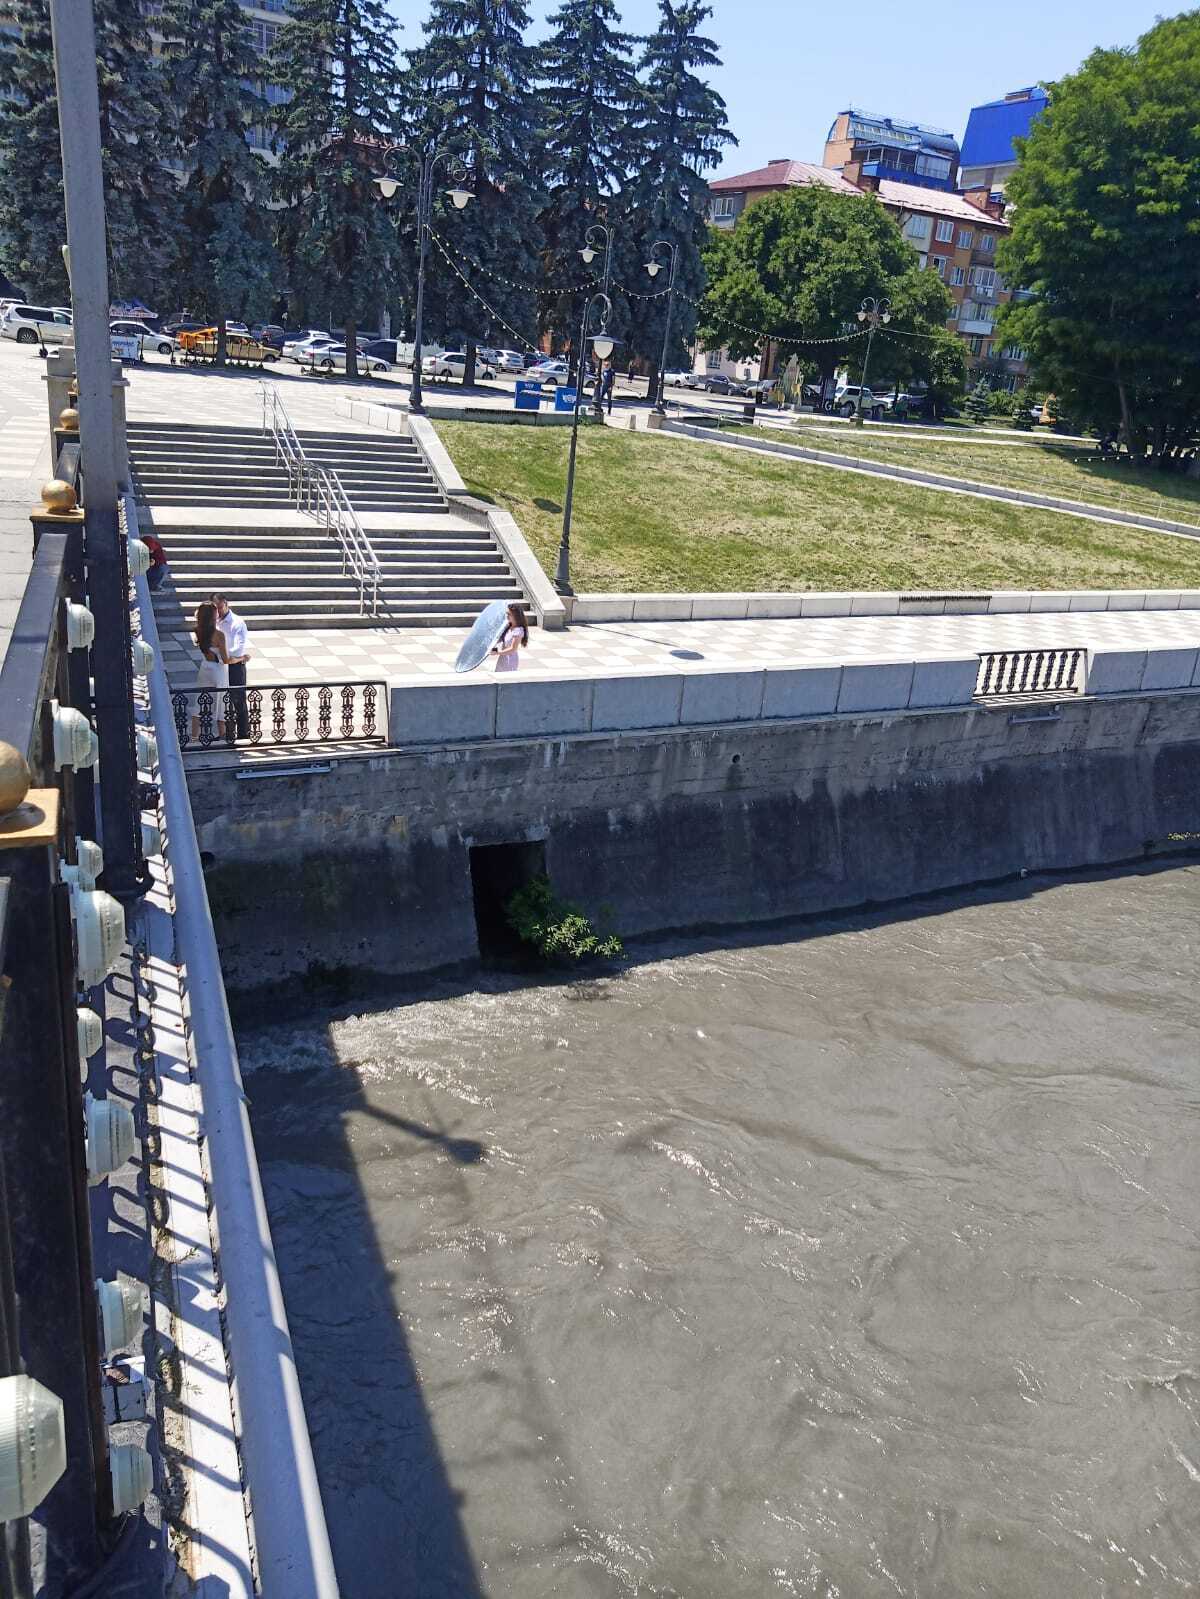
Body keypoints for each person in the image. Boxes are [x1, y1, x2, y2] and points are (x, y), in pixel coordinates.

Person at [212, 592, 252, 739]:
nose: (218, 612)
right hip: (221, 664)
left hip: (235, 666)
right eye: (215, 608)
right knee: (222, 699)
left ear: (226, 603)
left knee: (238, 699)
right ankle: (227, 733)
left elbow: (238, 649)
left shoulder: (237, 623)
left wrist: (221, 653)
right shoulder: (214, 621)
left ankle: (243, 733)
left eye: (220, 607)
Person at [191, 602, 230, 744]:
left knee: (199, 700)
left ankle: (194, 736)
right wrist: (241, 658)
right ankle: (222, 733)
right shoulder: (219, 635)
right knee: (220, 700)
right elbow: (225, 659)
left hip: (205, 668)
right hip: (218, 670)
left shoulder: (198, 630)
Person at [491, 603, 529, 673]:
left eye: (509, 614)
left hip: (510, 661)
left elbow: (513, 649)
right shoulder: (509, 626)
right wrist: (492, 646)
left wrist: (497, 652)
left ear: (515, 615)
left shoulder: (518, 630)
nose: (507, 616)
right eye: (507, 613)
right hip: (502, 658)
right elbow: (501, 639)